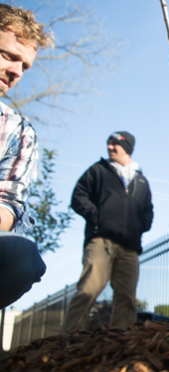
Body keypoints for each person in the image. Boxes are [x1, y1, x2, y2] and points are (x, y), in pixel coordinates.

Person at [60, 131, 153, 332]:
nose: (110, 147)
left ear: (127, 148)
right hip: (101, 240)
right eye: (108, 143)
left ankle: (121, 341)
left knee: (126, 297)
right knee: (88, 290)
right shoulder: (97, 171)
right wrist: (98, 217)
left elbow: (148, 208)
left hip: (130, 246)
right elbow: (78, 197)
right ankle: (67, 338)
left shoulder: (141, 180)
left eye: (115, 144)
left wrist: (142, 225)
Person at [0, 4, 53, 309]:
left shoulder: (18, 131)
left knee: (23, 256)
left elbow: (6, 205)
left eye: (26, 66)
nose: (17, 72)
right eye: (8, 55)